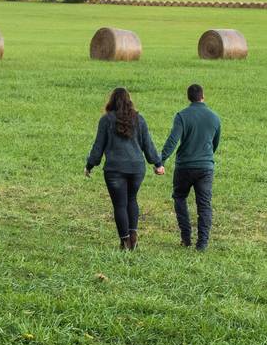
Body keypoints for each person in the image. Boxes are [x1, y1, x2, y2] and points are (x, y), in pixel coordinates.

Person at [85, 87, 165, 250]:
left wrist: (90, 165)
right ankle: (133, 235)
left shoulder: (106, 120)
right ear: (129, 101)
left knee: (120, 205)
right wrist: (157, 163)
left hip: (115, 169)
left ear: (111, 101)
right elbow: (147, 144)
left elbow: (98, 147)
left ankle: (125, 241)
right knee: (132, 199)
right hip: (137, 168)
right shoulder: (139, 119)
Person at [160, 83, 221, 251]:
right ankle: (202, 244)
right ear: (203, 96)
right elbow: (215, 143)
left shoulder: (182, 116)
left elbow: (173, 140)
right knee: (204, 205)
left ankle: (186, 237)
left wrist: (162, 159)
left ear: (188, 97)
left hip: (184, 167)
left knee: (179, 197)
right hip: (205, 167)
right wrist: (206, 157)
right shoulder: (214, 117)